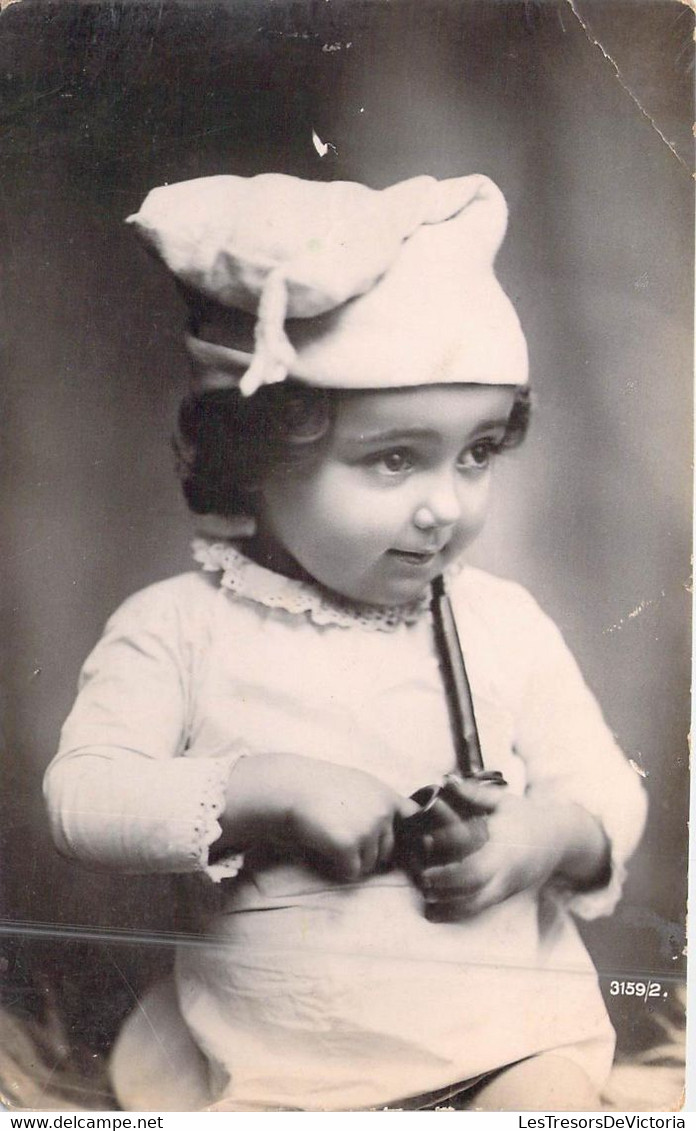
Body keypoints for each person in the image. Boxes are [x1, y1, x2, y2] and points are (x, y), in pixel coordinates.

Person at [44, 171, 647, 1112]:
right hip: (270, 1071)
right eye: (395, 458)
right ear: (251, 456)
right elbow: (83, 797)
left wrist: (544, 834)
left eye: (477, 452)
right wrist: (265, 789)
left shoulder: (501, 624)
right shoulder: (179, 628)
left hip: (507, 1048)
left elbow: (604, 787)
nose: (446, 504)